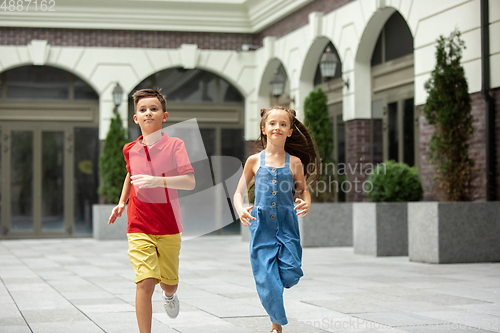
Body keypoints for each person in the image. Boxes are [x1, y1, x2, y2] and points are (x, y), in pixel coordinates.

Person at [108, 88, 195, 333]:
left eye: (154, 109)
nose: (148, 113)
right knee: (145, 282)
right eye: (142, 109)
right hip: (139, 225)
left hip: (169, 226)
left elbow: (190, 181)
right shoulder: (130, 149)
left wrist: (158, 180)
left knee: (169, 285)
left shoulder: (176, 145)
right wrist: (122, 202)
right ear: (136, 118)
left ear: (164, 116)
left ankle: (169, 296)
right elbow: (131, 174)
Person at [233, 105, 319, 333]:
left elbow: (304, 190)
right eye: (272, 124)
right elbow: (238, 192)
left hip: (287, 224)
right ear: (263, 128)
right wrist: (240, 208)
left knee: (291, 273)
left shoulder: (295, 162)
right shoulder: (254, 161)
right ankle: (276, 326)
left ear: (290, 131)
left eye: (283, 124)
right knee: (268, 282)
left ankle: (276, 283)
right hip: (261, 227)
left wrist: (306, 201)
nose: (277, 128)